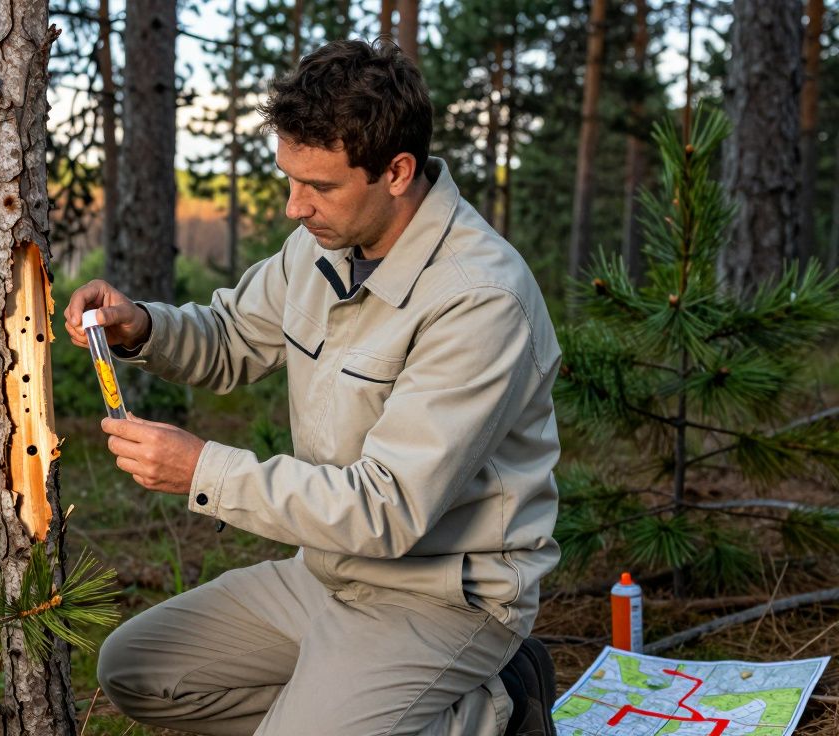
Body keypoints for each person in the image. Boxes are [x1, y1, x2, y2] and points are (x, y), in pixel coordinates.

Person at [63, 38, 560, 736]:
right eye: (288, 179)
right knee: (137, 670)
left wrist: (201, 469)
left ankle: (491, 713)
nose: (296, 207)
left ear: (397, 171)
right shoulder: (325, 242)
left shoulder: (479, 299)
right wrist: (139, 327)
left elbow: (387, 508)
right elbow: (233, 336)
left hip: (441, 599)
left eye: (319, 186)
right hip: (327, 573)